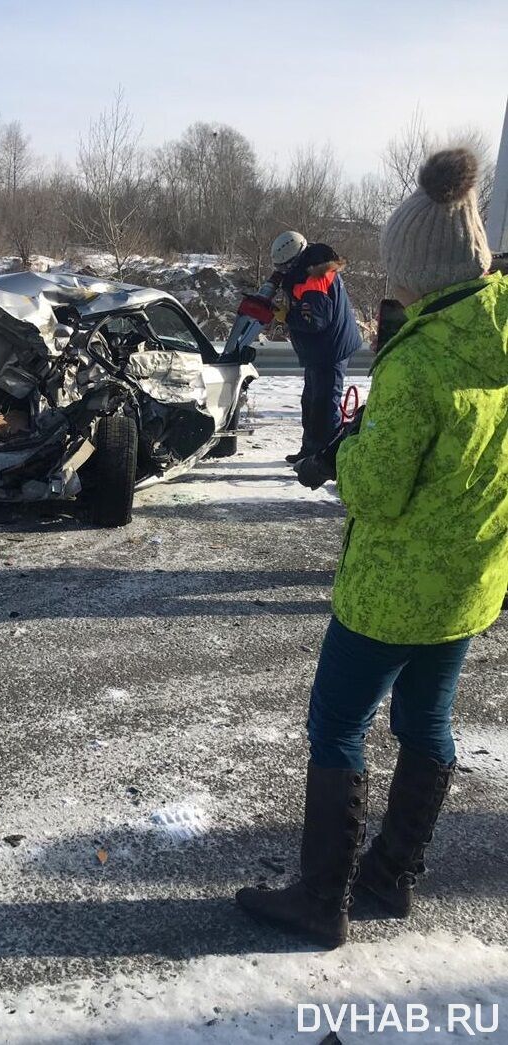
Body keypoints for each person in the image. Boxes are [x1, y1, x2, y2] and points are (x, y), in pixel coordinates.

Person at [236, 147, 508, 948]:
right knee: (426, 720)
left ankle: (321, 900)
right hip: (468, 579)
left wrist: (339, 458)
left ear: (420, 271)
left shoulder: (421, 361)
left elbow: (378, 488)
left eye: (396, 270)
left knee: (337, 725)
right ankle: (390, 876)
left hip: (391, 588)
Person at [270, 231, 364, 463]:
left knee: (324, 406)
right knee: (311, 401)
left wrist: (287, 317)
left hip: (330, 349)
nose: (282, 272)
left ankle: (327, 460)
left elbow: (315, 321)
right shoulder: (308, 269)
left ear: (295, 260)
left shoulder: (315, 278)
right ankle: (310, 450)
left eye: (284, 268)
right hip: (320, 350)